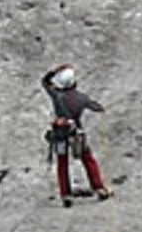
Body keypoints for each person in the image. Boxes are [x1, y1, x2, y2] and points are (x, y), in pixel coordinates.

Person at [40, 62, 112, 207]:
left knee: (62, 163)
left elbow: (44, 81)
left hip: (60, 134)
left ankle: (66, 194)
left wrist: (56, 70)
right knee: (88, 159)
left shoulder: (56, 95)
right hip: (76, 133)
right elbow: (96, 107)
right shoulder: (81, 98)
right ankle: (99, 188)